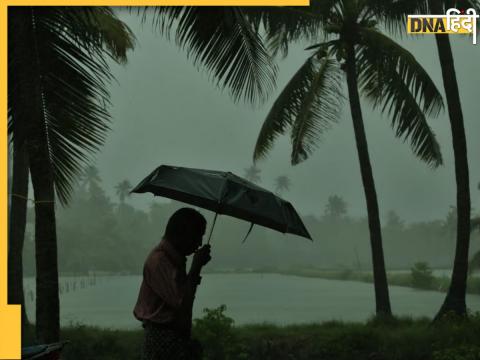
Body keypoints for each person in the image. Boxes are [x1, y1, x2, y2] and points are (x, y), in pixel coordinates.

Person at [134, 208, 212, 360]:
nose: (199, 243)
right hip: (162, 340)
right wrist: (196, 268)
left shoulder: (174, 260)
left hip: (172, 339)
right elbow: (182, 303)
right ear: (183, 234)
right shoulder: (160, 262)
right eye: (197, 236)